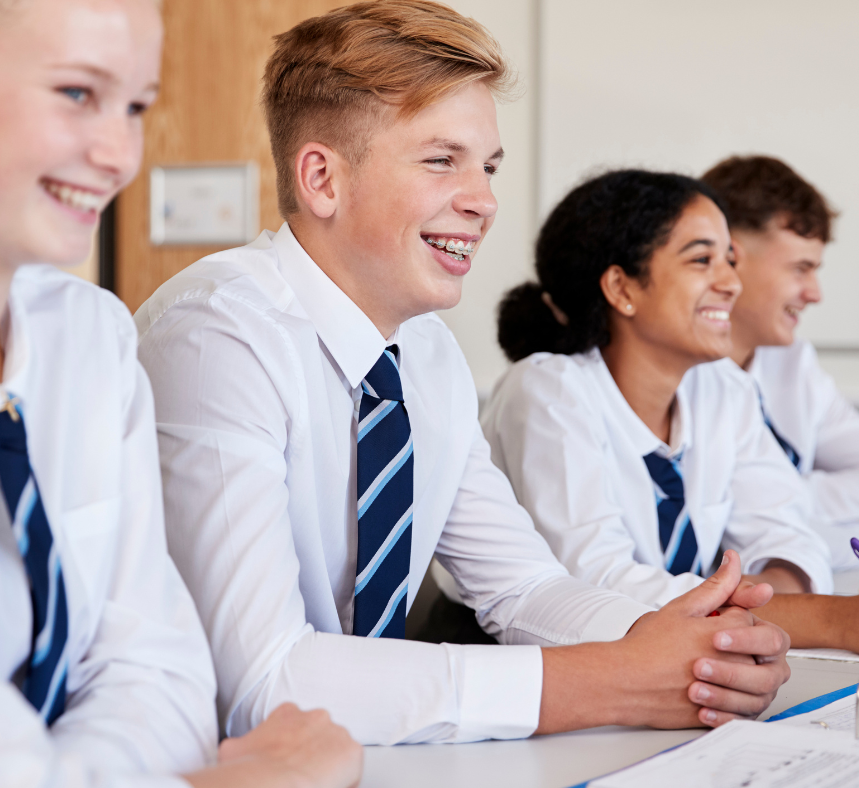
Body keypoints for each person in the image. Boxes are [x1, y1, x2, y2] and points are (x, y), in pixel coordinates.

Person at [135, 0, 792, 746]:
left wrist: (697, 648)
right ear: (322, 178)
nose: (483, 201)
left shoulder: (427, 354)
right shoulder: (217, 332)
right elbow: (265, 681)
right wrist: (615, 678)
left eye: (489, 167)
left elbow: (521, 587)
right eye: (442, 160)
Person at [0, 0, 362, 786]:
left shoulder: (88, 339)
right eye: (75, 94)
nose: (118, 153)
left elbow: (158, 675)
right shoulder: (221, 326)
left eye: (135, 106)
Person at [482, 169, 859, 662]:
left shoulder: (721, 387)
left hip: (693, 656)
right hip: (545, 667)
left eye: (730, 260)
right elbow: (598, 585)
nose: (730, 283)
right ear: (621, 287)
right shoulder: (549, 390)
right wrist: (828, 619)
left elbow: (787, 531)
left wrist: (755, 606)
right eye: (703, 260)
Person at [700, 155, 859, 568]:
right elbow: (719, 542)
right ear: (730, 258)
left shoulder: (793, 364)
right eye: (801, 268)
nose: (814, 293)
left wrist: (775, 496)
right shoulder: (677, 373)